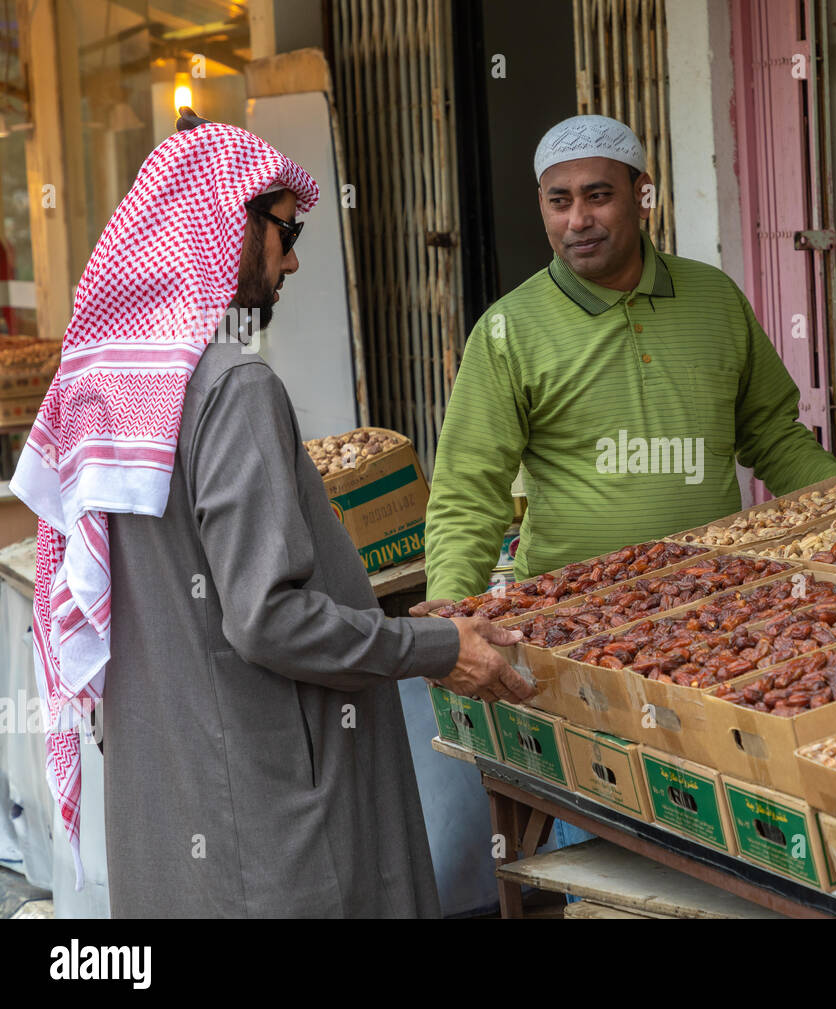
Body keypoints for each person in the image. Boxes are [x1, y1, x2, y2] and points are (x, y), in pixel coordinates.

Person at [10, 118, 533, 918]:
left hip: (180, 831)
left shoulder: (107, 389)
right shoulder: (232, 388)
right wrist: (435, 647)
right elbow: (268, 621)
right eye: (286, 231)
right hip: (279, 834)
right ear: (220, 223)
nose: (291, 259)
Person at [416, 113, 836, 611]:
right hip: (572, 613)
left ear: (643, 195)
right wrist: (450, 609)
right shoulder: (508, 330)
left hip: (715, 596)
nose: (577, 220)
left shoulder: (713, 297)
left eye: (598, 196)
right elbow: (468, 491)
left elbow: (771, 434)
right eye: (559, 202)